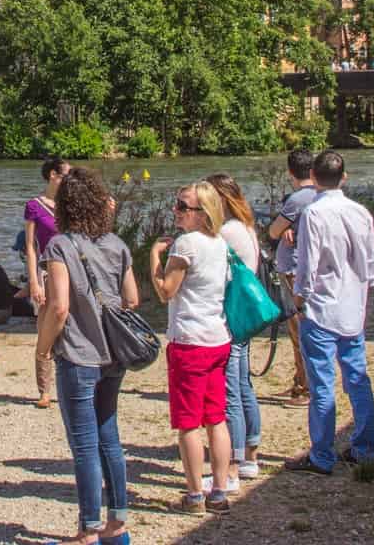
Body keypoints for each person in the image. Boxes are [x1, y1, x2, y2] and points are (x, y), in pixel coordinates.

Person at [37, 167, 137, 545]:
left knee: (84, 445)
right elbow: (132, 299)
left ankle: (88, 530)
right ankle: (118, 525)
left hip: (79, 355)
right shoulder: (116, 244)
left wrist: (44, 348)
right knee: (109, 437)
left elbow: (59, 307)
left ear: (64, 206)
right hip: (113, 355)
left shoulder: (60, 246)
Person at [287, 150, 374, 475]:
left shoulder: (314, 214)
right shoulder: (360, 212)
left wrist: (299, 299)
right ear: (345, 177)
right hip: (353, 308)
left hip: (321, 308)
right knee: (357, 378)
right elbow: (371, 263)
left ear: (312, 176)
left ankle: (323, 455)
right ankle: (363, 448)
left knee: (322, 383)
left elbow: (308, 264)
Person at [150, 181, 234, 514]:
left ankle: (196, 494)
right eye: (177, 204)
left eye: (184, 207)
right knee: (216, 419)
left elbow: (165, 291)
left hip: (190, 341)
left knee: (188, 423)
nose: (177, 210)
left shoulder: (186, 244)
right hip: (218, 338)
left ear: (203, 213)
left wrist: (154, 257)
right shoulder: (220, 242)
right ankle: (220, 490)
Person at [207, 173, 263, 486]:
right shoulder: (245, 227)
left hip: (230, 317)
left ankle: (234, 459)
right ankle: (250, 453)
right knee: (243, 385)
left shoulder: (227, 231)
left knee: (230, 390)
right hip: (243, 316)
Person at [267, 149, 317, 405]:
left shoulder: (297, 200)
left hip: (294, 269)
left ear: (290, 172)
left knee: (298, 330)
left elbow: (274, 231)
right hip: (305, 268)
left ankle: (306, 387)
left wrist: (282, 229)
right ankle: (300, 382)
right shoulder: (320, 194)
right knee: (301, 329)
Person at [25, 156, 69, 408]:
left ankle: (70, 385)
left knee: (71, 326)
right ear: (53, 175)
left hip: (71, 271)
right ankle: (45, 390)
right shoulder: (34, 206)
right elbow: (31, 247)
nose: (69, 180)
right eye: (66, 175)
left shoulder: (72, 205)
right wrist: (33, 281)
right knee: (45, 327)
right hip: (45, 270)